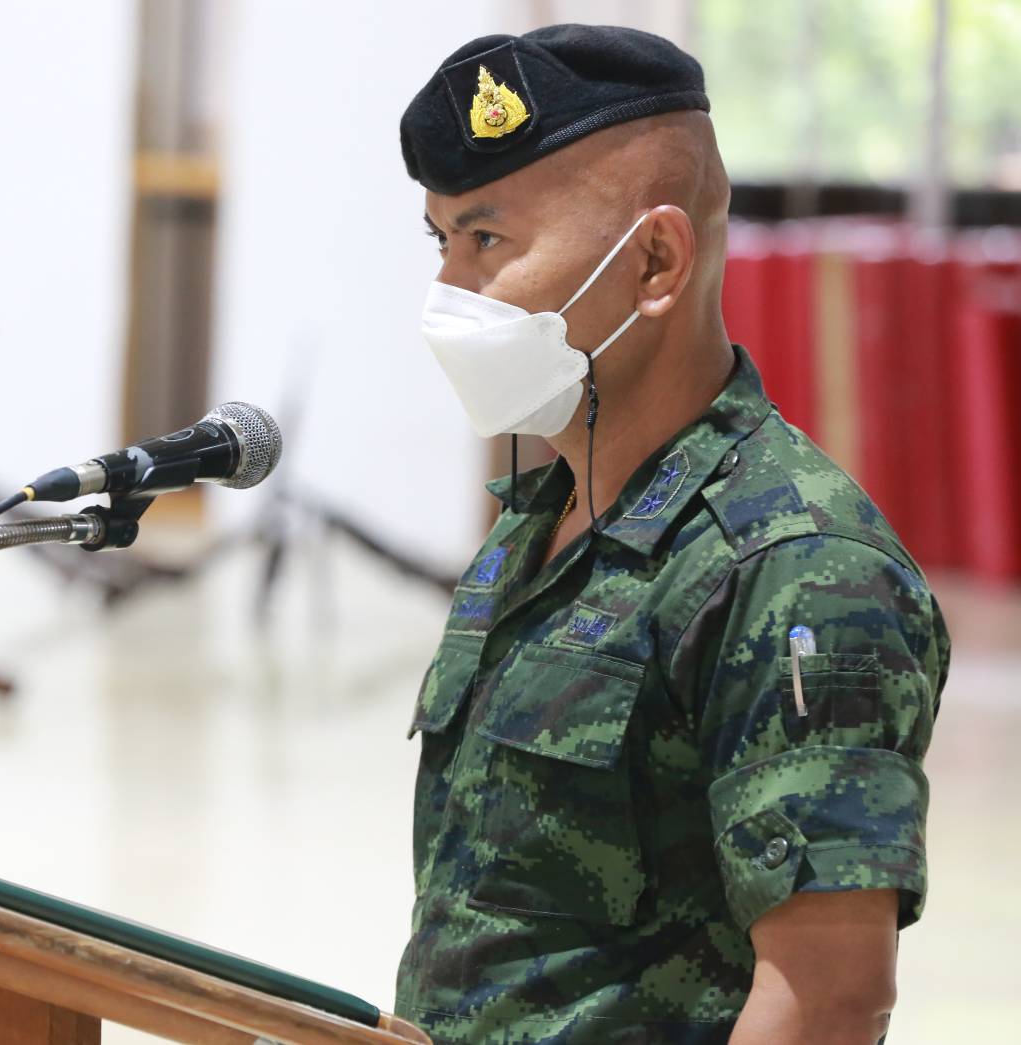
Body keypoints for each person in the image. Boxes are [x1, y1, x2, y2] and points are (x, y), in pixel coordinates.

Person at [395, 24, 948, 1045]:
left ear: (654, 261)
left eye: (487, 243)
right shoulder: (536, 526)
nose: (449, 295)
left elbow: (827, 1000)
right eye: (441, 245)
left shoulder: (793, 565)